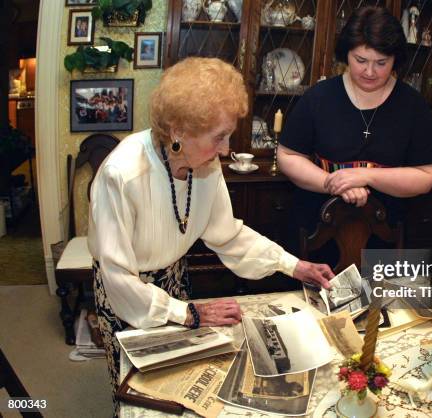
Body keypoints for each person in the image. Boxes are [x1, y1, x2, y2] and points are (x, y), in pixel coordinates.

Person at [87, 57, 334, 414]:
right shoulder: (122, 175)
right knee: (140, 397)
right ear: (177, 131)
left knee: (179, 386)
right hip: (126, 292)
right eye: (219, 137)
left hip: (173, 278)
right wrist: (189, 314)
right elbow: (118, 278)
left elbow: (227, 235)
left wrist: (294, 266)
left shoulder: (206, 164)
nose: (225, 149)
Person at [278, 7, 432, 262]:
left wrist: (366, 176)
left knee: (378, 300)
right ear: (346, 55)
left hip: (385, 236)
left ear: (395, 59)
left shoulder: (413, 106)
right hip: (316, 229)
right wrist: (334, 184)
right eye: (361, 60)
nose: (370, 72)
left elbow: (426, 176)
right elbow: (287, 155)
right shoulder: (318, 98)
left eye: (381, 63)